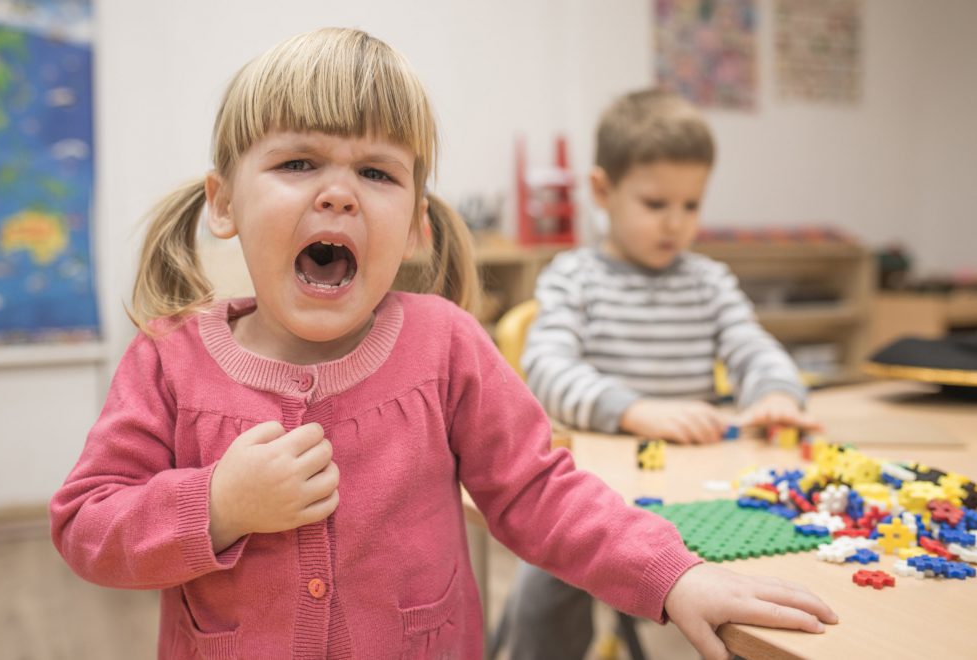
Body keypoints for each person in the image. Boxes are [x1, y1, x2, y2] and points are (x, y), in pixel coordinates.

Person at [49, 32, 835, 660]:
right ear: (223, 203)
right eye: (297, 163)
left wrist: (674, 577)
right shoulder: (167, 361)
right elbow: (86, 524)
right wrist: (215, 507)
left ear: (418, 222)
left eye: (377, 173)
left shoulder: (446, 345)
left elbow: (539, 492)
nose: (337, 191)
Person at [507, 88, 824, 658]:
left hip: (697, 480)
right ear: (603, 190)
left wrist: (776, 392)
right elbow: (547, 370)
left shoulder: (709, 280)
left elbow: (753, 347)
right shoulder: (573, 276)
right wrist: (634, 409)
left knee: (767, 572)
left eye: (691, 205)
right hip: (597, 490)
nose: (675, 223)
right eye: (656, 204)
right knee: (543, 587)